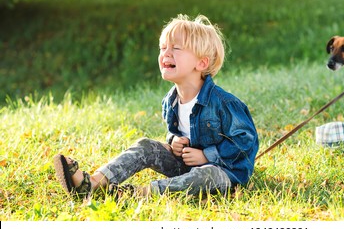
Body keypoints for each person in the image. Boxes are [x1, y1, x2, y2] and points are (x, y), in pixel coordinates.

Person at [53, 14, 259, 200]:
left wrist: (207, 156)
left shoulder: (224, 103)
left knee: (206, 175)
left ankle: (140, 194)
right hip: (186, 166)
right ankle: (93, 183)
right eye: (163, 48)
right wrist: (174, 140)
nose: (165, 54)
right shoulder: (171, 101)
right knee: (146, 145)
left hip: (224, 174)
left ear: (202, 63)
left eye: (176, 48)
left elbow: (246, 141)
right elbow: (176, 131)